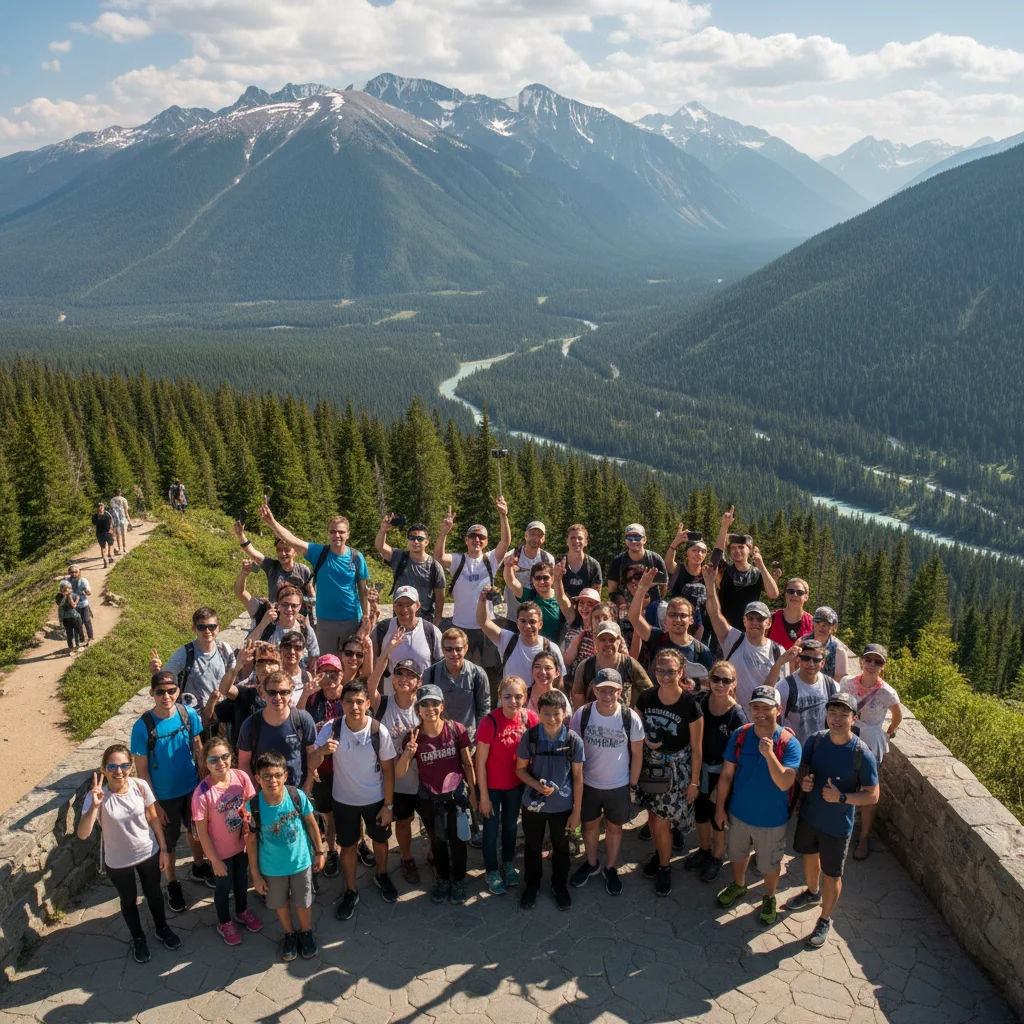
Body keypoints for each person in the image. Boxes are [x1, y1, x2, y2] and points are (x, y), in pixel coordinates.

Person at [786, 692, 879, 947]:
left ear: (854, 718)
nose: (837, 719)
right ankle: (812, 892)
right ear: (826, 715)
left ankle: (825, 918)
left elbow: (872, 796)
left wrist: (841, 798)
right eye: (832, 713)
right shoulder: (815, 741)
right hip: (810, 816)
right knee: (808, 856)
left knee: (832, 874)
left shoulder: (862, 753)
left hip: (837, 826)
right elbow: (802, 770)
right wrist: (802, 782)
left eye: (843, 714)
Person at [77, 744, 181, 963]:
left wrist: (163, 850)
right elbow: (83, 834)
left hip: (147, 852)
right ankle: (138, 938)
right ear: (104, 769)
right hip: (118, 860)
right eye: (112, 766)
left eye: (124, 765)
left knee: (153, 894)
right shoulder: (97, 796)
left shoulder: (140, 786)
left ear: (131, 766)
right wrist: (95, 806)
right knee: (128, 900)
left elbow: (153, 818)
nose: (119, 771)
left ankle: (162, 928)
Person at [714, 685, 801, 927]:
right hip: (739, 814)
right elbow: (726, 775)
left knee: (769, 864)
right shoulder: (741, 735)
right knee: (737, 855)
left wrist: (770, 754)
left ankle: (769, 897)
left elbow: (785, 782)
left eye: (766, 707)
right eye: (755, 707)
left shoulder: (789, 743)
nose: (760, 712)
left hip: (771, 820)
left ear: (778, 709)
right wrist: (719, 808)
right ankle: (739, 885)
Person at [311, 680, 398, 920]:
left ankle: (381, 874)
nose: (355, 706)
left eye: (360, 701)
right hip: (344, 801)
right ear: (341, 704)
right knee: (347, 846)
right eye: (349, 701)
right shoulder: (331, 727)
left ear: (368, 704)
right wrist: (320, 752)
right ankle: (350, 890)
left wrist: (388, 806)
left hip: (376, 799)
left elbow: (389, 771)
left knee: (380, 841)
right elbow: (311, 764)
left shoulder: (379, 730)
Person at [130, 672, 210, 911]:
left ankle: (198, 866)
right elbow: (141, 771)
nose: (166, 696)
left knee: (196, 831)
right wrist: (154, 805)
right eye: (160, 692)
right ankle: (172, 883)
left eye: (171, 691)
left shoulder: (188, 714)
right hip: (164, 796)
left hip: (192, 787)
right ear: (151, 693)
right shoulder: (142, 726)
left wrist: (205, 781)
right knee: (169, 842)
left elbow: (198, 746)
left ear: (178, 690)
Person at [397, 684, 478, 905]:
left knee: (458, 840)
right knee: (437, 841)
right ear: (418, 709)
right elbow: (400, 772)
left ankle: (459, 880)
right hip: (429, 799)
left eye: (434, 703)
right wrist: (408, 753)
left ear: (442, 706)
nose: (430, 708)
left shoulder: (456, 729)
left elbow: (467, 763)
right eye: (425, 704)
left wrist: (473, 793)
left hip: (456, 796)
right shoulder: (413, 736)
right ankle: (443, 880)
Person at [568, 669, 644, 896]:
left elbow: (638, 754)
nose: (607, 694)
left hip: (618, 785)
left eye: (612, 690)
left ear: (620, 691)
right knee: (590, 825)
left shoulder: (630, 717)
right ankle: (592, 863)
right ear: (595, 690)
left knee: (614, 827)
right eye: (602, 690)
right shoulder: (582, 714)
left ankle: (610, 867)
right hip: (589, 783)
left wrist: (632, 785)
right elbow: (574, 750)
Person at [245, 751, 325, 961]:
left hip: (300, 863)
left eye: (277, 775)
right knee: (279, 903)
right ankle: (290, 934)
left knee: (303, 901)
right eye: (267, 776)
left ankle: (305, 932)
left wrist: (319, 852)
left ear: (286, 775)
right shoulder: (253, 806)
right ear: (258, 778)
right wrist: (255, 875)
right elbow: (251, 841)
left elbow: (311, 824)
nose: (273, 781)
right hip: (271, 868)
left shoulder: (296, 796)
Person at [636, 649, 703, 897]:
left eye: (671, 671)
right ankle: (661, 854)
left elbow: (697, 747)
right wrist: (644, 739)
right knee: (655, 818)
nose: (665, 676)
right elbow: (636, 729)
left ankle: (664, 867)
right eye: (661, 670)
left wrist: (695, 783)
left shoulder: (690, 704)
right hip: (650, 767)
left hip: (677, 770)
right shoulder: (646, 698)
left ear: (681, 672)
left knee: (659, 820)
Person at [259, 504, 368, 656]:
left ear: (348, 534)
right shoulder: (319, 553)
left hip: (351, 619)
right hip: (325, 621)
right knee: (326, 662)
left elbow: (363, 591)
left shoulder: (356, 557)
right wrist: (271, 521)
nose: (337, 535)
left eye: (341, 532)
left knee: (351, 661)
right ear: (328, 534)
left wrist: (366, 619)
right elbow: (291, 540)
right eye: (333, 532)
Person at [516, 689, 584, 910]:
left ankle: (559, 885)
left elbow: (577, 777)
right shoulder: (531, 737)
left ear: (565, 713)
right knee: (532, 847)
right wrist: (536, 785)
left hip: (563, 807)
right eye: (546, 713)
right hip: (533, 805)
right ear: (539, 712)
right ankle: (532, 885)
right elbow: (520, 770)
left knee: (561, 847)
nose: (552, 718)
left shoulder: (573, 740)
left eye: (556, 713)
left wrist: (577, 812)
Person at [191, 737, 262, 946]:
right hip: (220, 852)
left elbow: (250, 805)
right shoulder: (202, 794)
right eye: (213, 760)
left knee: (241, 880)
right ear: (205, 763)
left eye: (224, 757)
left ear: (231, 756)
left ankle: (242, 911)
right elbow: (202, 833)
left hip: (242, 845)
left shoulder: (240, 777)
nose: (220, 763)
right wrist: (213, 860)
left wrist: (250, 826)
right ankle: (224, 922)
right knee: (223, 886)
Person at [366, 653, 424, 883]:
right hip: (395, 780)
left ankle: (430, 853)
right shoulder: (385, 703)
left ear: (419, 682)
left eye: (411, 676)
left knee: (429, 819)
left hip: (422, 774)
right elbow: (371, 683)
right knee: (404, 820)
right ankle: (407, 857)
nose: (403, 679)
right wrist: (387, 649)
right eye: (399, 673)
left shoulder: (423, 705)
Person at [476, 676, 537, 895]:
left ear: (525, 697)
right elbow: (480, 762)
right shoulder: (489, 722)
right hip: (492, 787)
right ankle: (492, 870)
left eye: (518, 696)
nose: (513, 701)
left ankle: (508, 863)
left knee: (511, 827)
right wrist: (483, 795)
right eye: (507, 696)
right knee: (491, 830)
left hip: (516, 786)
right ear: (499, 697)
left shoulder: (530, 718)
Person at [687, 660, 746, 883]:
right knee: (700, 813)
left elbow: (738, 757)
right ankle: (703, 850)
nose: (720, 684)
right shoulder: (700, 701)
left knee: (717, 817)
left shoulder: (736, 715)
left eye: (726, 680)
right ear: (709, 679)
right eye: (716, 679)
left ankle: (716, 856)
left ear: (733, 684)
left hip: (722, 775)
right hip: (699, 769)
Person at [842, 644, 902, 860]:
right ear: (862, 661)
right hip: (847, 739)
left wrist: (887, 733)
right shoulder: (847, 683)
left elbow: (897, 716)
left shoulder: (886, 692)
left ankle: (864, 838)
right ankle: (841, 829)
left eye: (877, 662)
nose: (872, 665)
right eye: (869, 660)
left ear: (883, 666)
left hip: (869, 743)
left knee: (869, 790)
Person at [434, 498, 511, 665]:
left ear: (486, 542)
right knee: (460, 668)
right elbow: (439, 557)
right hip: (460, 626)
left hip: (487, 625)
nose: (477, 539)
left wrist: (503, 515)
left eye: (481, 537)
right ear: (466, 540)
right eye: (473, 536)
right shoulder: (458, 560)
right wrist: (443, 533)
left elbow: (505, 543)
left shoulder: (491, 559)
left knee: (491, 669)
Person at [703, 568, 785, 707]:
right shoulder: (733, 639)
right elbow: (714, 614)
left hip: (762, 719)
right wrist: (710, 586)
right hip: (733, 715)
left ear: (769, 623)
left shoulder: (778, 651)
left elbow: (782, 689)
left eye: (760, 619)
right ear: (744, 621)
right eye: (751, 618)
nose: (755, 622)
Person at [297, 654, 346, 878]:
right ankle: (333, 850)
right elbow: (296, 720)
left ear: (341, 674)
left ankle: (360, 844)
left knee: (352, 810)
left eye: (334, 673)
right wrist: (306, 693)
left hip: (348, 764)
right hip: (321, 766)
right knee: (328, 814)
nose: (330, 678)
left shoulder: (349, 695)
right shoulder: (312, 699)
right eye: (324, 673)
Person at [236, 670, 318, 788]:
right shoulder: (250, 724)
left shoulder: (303, 719)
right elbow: (244, 764)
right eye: (271, 692)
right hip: (263, 794)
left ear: (291, 693)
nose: (278, 697)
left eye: (284, 692)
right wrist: (254, 796)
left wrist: (306, 790)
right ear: (262, 693)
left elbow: (312, 757)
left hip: (296, 793)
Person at [149, 607, 236, 713]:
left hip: (221, 713)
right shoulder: (184, 654)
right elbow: (165, 681)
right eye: (201, 627)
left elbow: (234, 679)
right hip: (194, 716)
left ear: (218, 628)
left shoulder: (224, 649)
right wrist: (156, 672)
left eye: (212, 626)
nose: (207, 631)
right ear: (194, 629)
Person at [708, 507, 780, 630]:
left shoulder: (757, 573)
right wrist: (724, 527)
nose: (737, 551)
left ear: (749, 550)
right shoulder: (725, 571)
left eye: (741, 547)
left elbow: (773, 594)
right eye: (733, 548)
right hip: (725, 631)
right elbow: (716, 556)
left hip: (750, 631)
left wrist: (761, 565)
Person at [628, 569, 713, 671]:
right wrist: (641, 589)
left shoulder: (702, 651)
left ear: (691, 620)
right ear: (665, 619)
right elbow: (634, 617)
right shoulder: (657, 638)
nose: (678, 619)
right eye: (673, 615)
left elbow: (707, 682)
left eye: (683, 615)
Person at [765, 638, 839, 743]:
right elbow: (765, 699)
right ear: (798, 659)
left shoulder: (831, 686)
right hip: (792, 748)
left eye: (816, 660)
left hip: (821, 748)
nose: (811, 663)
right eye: (806, 658)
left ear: (823, 662)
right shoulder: (786, 686)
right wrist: (780, 662)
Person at [420, 627, 491, 736]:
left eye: (458, 649)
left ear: (466, 648)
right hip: (440, 740)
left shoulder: (477, 674)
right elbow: (423, 707)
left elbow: (484, 708)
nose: (454, 654)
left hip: (469, 740)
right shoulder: (431, 673)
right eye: (449, 649)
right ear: (443, 650)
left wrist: (481, 738)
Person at [478, 599, 567, 686]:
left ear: (540, 624)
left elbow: (559, 682)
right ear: (517, 622)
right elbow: (483, 622)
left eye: (532, 622)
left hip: (539, 699)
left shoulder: (551, 648)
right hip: (512, 699)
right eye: (523, 621)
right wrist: (483, 600)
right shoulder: (507, 639)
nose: (527, 626)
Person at [376, 515, 446, 623]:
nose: (416, 541)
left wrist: (436, 623)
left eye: (420, 539)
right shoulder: (399, 557)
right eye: (412, 538)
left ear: (426, 542)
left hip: (424, 620)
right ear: (408, 541)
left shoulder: (434, 566)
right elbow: (380, 546)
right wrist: (383, 529)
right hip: (400, 618)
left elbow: (440, 598)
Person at [233, 521, 315, 612]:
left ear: (295, 552)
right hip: (276, 616)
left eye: (287, 550)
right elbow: (253, 553)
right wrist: (240, 534)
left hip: (297, 616)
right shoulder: (272, 566)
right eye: (279, 550)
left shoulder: (303, 570)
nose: (283, 553)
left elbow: (312, 595)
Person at [570, 621, 652, 709]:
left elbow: (647, 691)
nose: (607, 644)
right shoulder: (585, 666)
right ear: (596, 641)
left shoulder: (629, 664)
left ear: (619, 641)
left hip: (623, 719)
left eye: (611, 640)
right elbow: (578, 698)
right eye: (602, 640)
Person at [375, 587, 444, 688]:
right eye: (399, 604)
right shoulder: (383, 629)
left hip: (422, 697)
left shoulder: (431, 631)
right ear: (393, 606)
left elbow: (442, 667)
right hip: (391, 698)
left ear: (417, 605)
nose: (404, 609)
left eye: (408, 604)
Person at [213, 641, 278, 745]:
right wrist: (238, 665)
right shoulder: (246, 693)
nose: (265, 668)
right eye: (260, 663)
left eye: (271, 662)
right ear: (255, 667)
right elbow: (225, 689)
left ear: (279, 666)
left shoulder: (286, 695)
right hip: (244, 755)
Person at [503, 556, 573, 643]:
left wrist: (559, 579)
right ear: (532, 580)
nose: (542, 582)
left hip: (554, 651)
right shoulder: (529, 596)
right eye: (538, 578)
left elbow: (571, 617)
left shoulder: (560, 600)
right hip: (532, 649)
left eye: (545, 578)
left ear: (552, 579)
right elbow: (512, 582)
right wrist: (508, 566)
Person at [607, 523, 668, 614]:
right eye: (629, 537)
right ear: (625, 540)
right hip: (626, 613)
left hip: (652, 613)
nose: (633, 541)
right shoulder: (618, 561)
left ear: (644, 539)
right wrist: (623, 604)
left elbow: (664, 586)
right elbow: (612, 590)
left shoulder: (655, 559)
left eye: (637, 537)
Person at [666, 525, 710, 639]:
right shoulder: (679, 570)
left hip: (705, 626)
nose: (698, 554)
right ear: (687, 552)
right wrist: (674, 544)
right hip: (679, 624)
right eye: (694, 550)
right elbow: (668, 564)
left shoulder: (707, 573)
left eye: (702, 551)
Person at [505, 520, 555, 619]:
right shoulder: (513, 555)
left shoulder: (548, 559)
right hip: (513, 611)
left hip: (536, 613)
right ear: (526, 535)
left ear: (543, 539)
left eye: (539, 536)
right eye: (532, 534)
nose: (535, 538)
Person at [801, 607, 849, 682]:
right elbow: (794, 669)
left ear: (834, 627)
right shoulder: (801, 643)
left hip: (828, 690)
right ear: (813, 623)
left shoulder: (839, 650)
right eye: (817, 622)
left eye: (825, 624)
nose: (821, 626)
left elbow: (840, 679)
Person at [561, 588, 601, 677]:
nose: (584, 607)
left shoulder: (603, 632)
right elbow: (565, 663)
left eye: (589, 604)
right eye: (581, 603)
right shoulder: (572, 632)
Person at [768, 579, 814, 649]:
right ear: (785, 594)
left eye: (800, 592)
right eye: (790, 591)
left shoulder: (813, 623)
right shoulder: (771, 618)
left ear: (806, 597)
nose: (795, 595)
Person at [562, 524, 603, 599]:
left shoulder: (593, 565)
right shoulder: (557, 563)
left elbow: (596, 595)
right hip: (559, 608)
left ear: (586, 542)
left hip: (585, 608)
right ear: (567, 541)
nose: (576, 541)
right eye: (572, 538)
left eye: (580, 538)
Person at [61, 564, 95, 645]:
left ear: (79, 572)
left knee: (86, 620)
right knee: (77, 622)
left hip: (83, 604)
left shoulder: (83, 580)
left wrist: (86, 592)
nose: (74, 574)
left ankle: (91, 637)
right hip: (72, 606)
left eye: (76, 572)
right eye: (72, 572)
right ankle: (82, 638)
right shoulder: (67, 581)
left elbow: (89, 592)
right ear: (69, 572)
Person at [57, 580, 85, 654]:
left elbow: (59, 605)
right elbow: (74, 606)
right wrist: (77, 600)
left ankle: (70, 647)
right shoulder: (73, 595)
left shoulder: (58, 596)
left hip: (65, 618)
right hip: (74, 616)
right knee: (76, 632)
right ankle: (77, 646)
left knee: (69, 633)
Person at [92, 501, 116, 567]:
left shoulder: (95, 516)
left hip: (99, 533)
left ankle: (105, 559)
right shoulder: (107, 514)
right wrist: (113, 532)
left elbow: (94, 523)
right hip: (108, 532)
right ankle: (111, 556)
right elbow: (111, 523)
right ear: (103, 507)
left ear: (97, 508)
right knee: (110, 545)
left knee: (103, 547)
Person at [110, 488, 132, 555]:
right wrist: (129, 521)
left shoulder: (112, 500)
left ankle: (119, 549)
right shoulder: (124, 500)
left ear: (114, 493)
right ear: (120, 493)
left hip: (116, 520)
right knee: (124, 534)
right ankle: (124, 548)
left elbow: (111, 511)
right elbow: (126, 511)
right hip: (123, 519)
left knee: (118, 535)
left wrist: (111, 522)